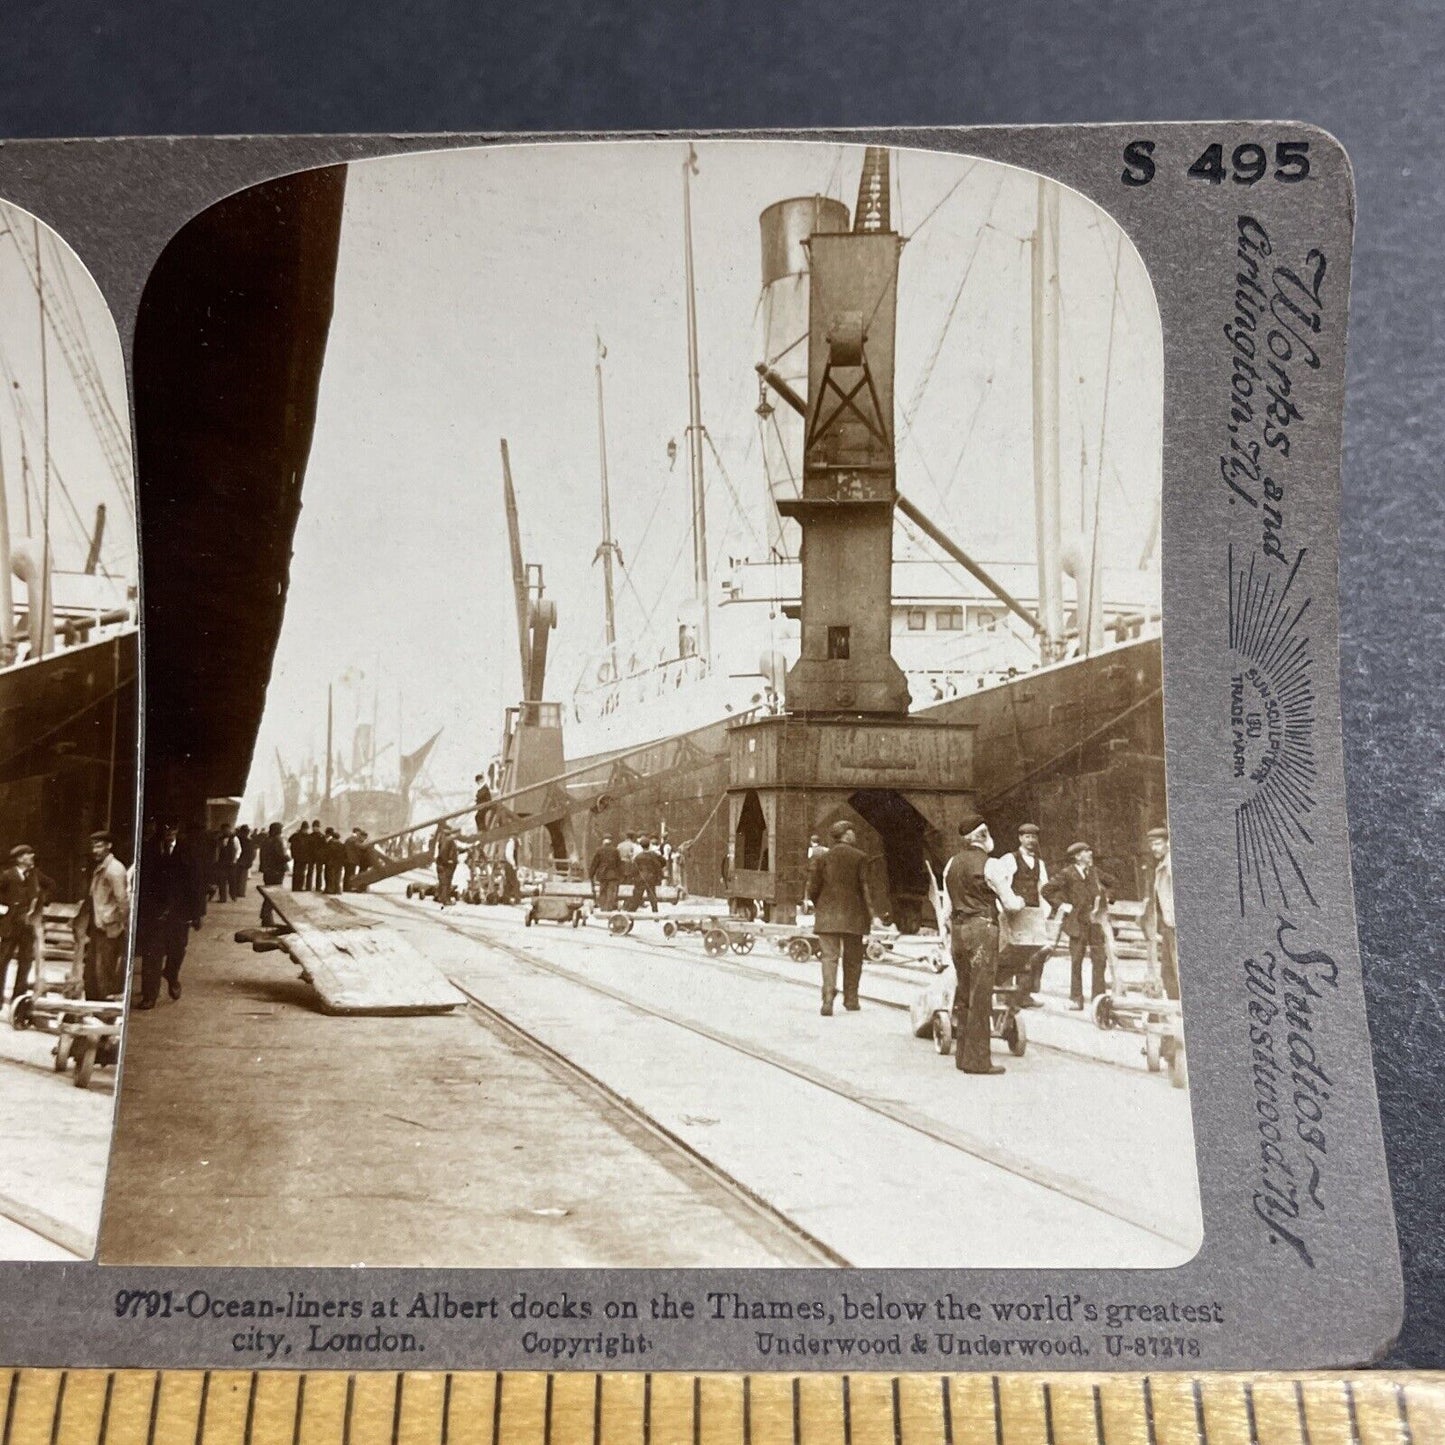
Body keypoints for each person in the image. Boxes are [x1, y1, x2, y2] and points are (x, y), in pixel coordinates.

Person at [941, 813, 1006, 1075]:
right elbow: (1010, 902)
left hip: (959, 930)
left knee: (965, 993)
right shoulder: (991, 864)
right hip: (982, 930)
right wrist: (1021, 903)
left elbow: (946, 910)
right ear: (983, 835)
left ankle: (962, 1057)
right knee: (981, 996)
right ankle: (978, 1061)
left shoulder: (951, 864)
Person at [806, 819, 881, 1016]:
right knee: (853, 959)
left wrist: (820, 905)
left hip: (827, 916)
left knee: (829, 959)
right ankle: (851, 1000)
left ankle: (828, 999)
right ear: (846, 835)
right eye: (852, 832)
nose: (855, 835)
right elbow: (865, 888)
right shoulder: (860, 857)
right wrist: (872, 914)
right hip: (854, 916)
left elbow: (813, 888)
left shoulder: (823, 857)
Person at [136, 823, 204, 1008]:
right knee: (152, 953)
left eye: (172, 828)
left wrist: (198, 913)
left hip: (180, 913)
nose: (168, 832)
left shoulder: (188, 851)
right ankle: (150, 996)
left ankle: (171, 975)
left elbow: (197, 883)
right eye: (165, 828)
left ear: (177, 830)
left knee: (177, 950)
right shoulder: (148, 849)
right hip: (154, 912)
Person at [1043, 841, 1111, 1010]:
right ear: (1077, 856)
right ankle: (1076, 999)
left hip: (1094, 924)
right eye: (1087, 852)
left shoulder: (1095, 872)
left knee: (1100, 960)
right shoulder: (1067, 873)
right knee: (1076, 961)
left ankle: (1099, 1001)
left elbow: (1113, 883)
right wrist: (1062, 905)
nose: (1090, 854)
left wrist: (1108, 897)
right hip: (1077, 924)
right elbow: (1046, 890)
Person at [990, 823, 1050, 1007]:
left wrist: (1044, 912)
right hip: (1013, 914)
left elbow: (1043, 889)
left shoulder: (1040, 864)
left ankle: (1023, 995)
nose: (1031, 841)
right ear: (1020, 838)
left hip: (1032, 914)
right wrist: (1004, 910)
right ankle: (1002, 994)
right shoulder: (1009, 859)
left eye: (1034, 837)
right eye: (1027, 837)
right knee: (1007, 953)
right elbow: (1001, 885)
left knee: (1029, 953)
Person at [0, 845, 51, 1009]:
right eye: (29, 854)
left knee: (25, 963)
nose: (32, 856)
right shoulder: (7, 876)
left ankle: (18, 1001)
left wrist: (41, 901)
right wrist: (4, 910)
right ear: (20, 858)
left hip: (27, 927)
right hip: (10, 926)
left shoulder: (35, 875)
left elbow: (51, 885)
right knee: (2, 961)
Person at [86, 830, 131, 999]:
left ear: (109, 846)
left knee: (103, 971)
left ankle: (105, 1012)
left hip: (109, 927)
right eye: (93, 846)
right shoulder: (102, 867)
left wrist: (120, 924)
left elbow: (122, 900)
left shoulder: (114, 870)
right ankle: (93, 1007)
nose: (95, 850)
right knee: (93, 972)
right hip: (99, 926)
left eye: (98, 846)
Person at [1141, 826, 1178, 1000]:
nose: (1154, 848)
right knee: (1168, 971)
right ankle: (1175, 1007)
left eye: (1157, 844)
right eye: (1152, 845)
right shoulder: (1161, 864)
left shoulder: (1171, 864)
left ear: (1168, 843)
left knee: (1176, 969)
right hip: (1168, 925)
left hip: (1175, 925)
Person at [258, 822, 289, 927]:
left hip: (267, 871)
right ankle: (266, 918)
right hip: (277, 871)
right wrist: (288, 858)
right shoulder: (278, 840)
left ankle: (265, 916)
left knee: (268, 893)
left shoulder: (266, 840)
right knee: (273, 895)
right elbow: (282, 856)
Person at [589, 835, 622, 911]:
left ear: (603, 841)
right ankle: (609, 907)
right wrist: (620, 874)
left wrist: (591, 874)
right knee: (611, 891)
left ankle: (603, 907)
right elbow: (619, 864)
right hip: (613, 874)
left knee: (603, 890)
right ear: (611, 841)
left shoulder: (599, 850)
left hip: (602, 874)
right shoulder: (615, 851)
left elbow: (595, 863)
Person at [632, 838, 665, 913]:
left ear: (641, 846)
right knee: (652, 895)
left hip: (641, 878)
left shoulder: (638, 857)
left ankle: (632, 913)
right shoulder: (654, 855)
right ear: (649, 845)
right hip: (651, 877)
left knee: (637, 896)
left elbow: (634, 869)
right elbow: (663, 862)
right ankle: (655, 912)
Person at [434, 824, 459, 907]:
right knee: (446, 883)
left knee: (442, 882)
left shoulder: (443, 840)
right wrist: (449, 861)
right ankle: (446, 900)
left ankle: (439, 897)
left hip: (442, 864)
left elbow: (448, 851)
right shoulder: (448, 840)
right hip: (446, 865)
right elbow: (444, 852)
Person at [233, 824, 256, 899]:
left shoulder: (236, 839)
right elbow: (252, 853)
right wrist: (250, 861)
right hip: (244, 861)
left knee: (236, 877)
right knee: (242, 878)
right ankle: (240, 892)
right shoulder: (249, 841)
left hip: (237, 860)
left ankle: (235, 891)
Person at [289, 820, 312, 891]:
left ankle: (296, 887)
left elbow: (290, 840)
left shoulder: (295, 835)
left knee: (297, 872)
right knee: (300, 873)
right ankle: (298, 887)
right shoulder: (307, 836)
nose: (306, 830)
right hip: (302, 858)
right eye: (305, 829)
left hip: (298, 857)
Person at [323, 829, 346, 895]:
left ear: (333, 836)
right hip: (339, 863)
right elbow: (344, 854)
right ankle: (337, 890)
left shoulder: (330, 843)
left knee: (330, 876)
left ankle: (330, 889)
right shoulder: (341, 844)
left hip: (331, 862)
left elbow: (328, 853)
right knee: (338, 876)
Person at [309, 820, 325, 891]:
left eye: (316, 827)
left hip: (318, 856)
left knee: (319, 872)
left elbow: (324, 847)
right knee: (310, 871)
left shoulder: (321, 836)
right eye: (314, 827)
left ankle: (318, 887)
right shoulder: (311, 836)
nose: (315, 828)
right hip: (311, 855)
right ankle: (308, 886)